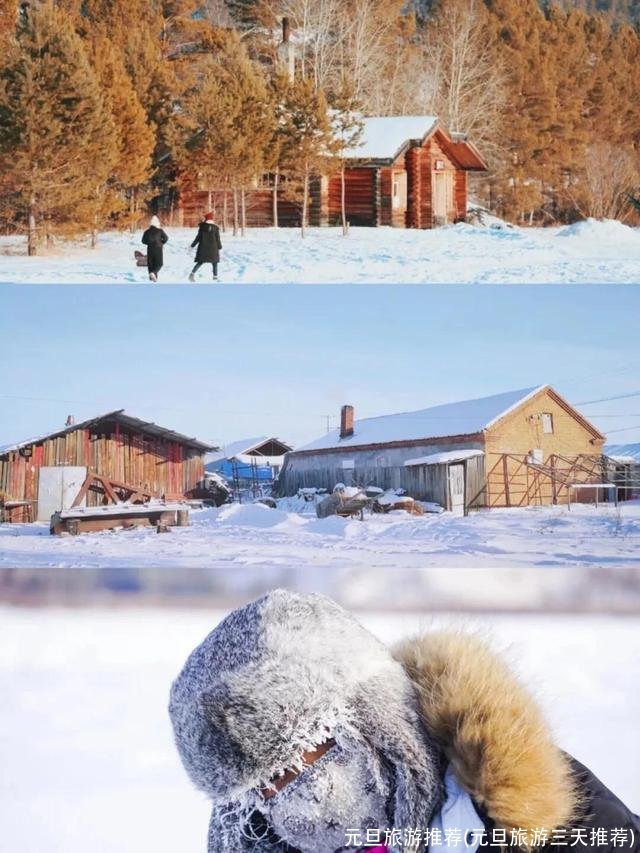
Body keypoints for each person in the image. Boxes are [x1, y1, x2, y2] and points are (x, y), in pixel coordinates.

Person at [168, 590, 639, 853]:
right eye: (266, 789)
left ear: (377, 724)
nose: (300, 810)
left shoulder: (562, 829)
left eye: (309, 761)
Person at [189, 212, 222, 282]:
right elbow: (217, 239)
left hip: (203, 248)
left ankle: (191, 274)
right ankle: (215, 277)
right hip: (213, 248)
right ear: (212, 219)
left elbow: (197, 238)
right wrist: (220, 247)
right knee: (215, 262)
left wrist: (192, 246)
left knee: (200, 262)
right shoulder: (215, 228)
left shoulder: (202, 227)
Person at [141, 215, 169, 282]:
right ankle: (153, 274)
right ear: (157, 223)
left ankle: (152, 279)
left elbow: (143, 241)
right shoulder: (160, 231)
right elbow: (166, 238)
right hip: (158, 249)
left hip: (150, 249)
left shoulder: (146, 232)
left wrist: (149, 243)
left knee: (151, 265)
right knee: (159, 264)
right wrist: (161, 243)